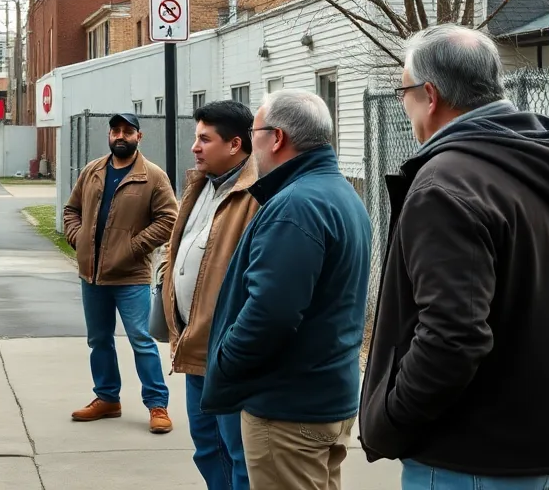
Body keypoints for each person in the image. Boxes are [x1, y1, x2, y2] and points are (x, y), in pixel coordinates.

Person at [359, 25, 549, 489]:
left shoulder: (445, 184)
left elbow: (452, 337)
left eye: (403, 91)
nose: (403, 104)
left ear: (429, 94)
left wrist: (392, 419)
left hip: (473, 457)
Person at [202, 89, 371, 490]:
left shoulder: (296, 205)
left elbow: (271, 313)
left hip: (289, 409)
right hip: (323, 396)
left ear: (277, 138)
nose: (251, 146)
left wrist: (225, 361)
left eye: (254, 133)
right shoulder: (338, 191)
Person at [161, 101, 259, 489]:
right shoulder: (200, 184)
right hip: (194, 344)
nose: (195, 147)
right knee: (206, 446)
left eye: (204, 139)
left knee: (238, 452)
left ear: (235, 144)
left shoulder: (257, 193)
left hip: (228, 351)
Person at [63, 112, 177, 434]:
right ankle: (107, 398)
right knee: (99, 340)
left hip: (130, 277)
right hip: (93, 276)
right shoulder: (92, 171)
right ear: (110, 135)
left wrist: (132, 247)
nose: (120, 135)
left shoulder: (152, 176)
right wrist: (79, 239)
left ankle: (157, 405)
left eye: (128, 131)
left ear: (138, 137)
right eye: (116, 130)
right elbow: (71, 210)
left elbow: (169, 219)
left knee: (141, 341)